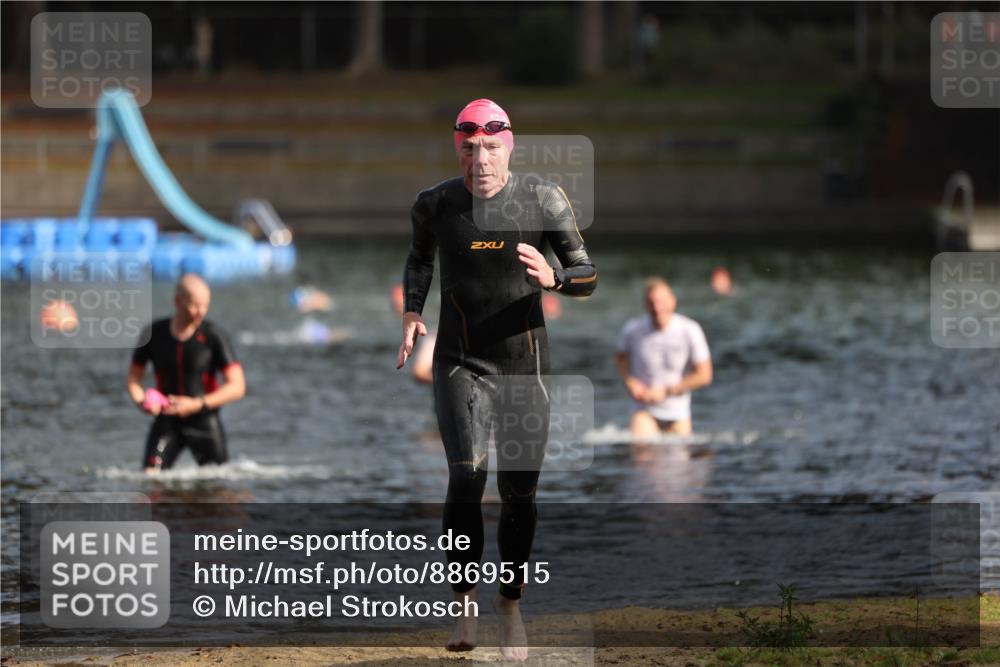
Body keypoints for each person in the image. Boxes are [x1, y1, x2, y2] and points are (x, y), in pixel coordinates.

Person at [396, 98, 596, 660]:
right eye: (467, 149)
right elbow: (419, 261)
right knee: (466, 476)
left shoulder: (542, 199)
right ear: (457, 149)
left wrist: (555, 279)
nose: (478, 161)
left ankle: (510, 604)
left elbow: (588, 273)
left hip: (523, 363)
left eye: (488, 148)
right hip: (460, 359)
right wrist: (413, 312)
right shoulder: (435, 203)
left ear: (507, 148)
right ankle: (462, 600)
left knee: (519, 492)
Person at [127, 274, 246, 472]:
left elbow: (238, 386)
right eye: (195, 306)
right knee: (150, 477)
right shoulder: (154, 334)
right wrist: (142, 402)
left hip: (204, 419)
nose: (201, 312)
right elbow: (133, 378)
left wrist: (197, 404)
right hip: (167, 419)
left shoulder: (213, 336)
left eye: (205, 306)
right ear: (177, 301)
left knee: (217, 483)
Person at [614, 278, 712, 438]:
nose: (657, 308)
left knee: (679, 459)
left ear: (673, 302)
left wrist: (666, 392)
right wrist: (629, 381)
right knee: (644, 454)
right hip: (644, 409)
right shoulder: (633, 329)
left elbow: (705, 375)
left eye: (661, 302)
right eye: (652, 303)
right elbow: (619, 357)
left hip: (678, 412)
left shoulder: (690, 330)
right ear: (646, 305)